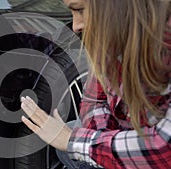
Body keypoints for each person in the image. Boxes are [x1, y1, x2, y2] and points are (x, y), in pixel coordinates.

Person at [21, 0, 171, 168]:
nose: (76, 26)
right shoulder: (114, 43)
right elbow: (93, 99)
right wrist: (102, 142)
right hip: (135, 139)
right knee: (72, 137)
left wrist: (74, 142)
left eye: (79, 10)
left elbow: (165, 146)